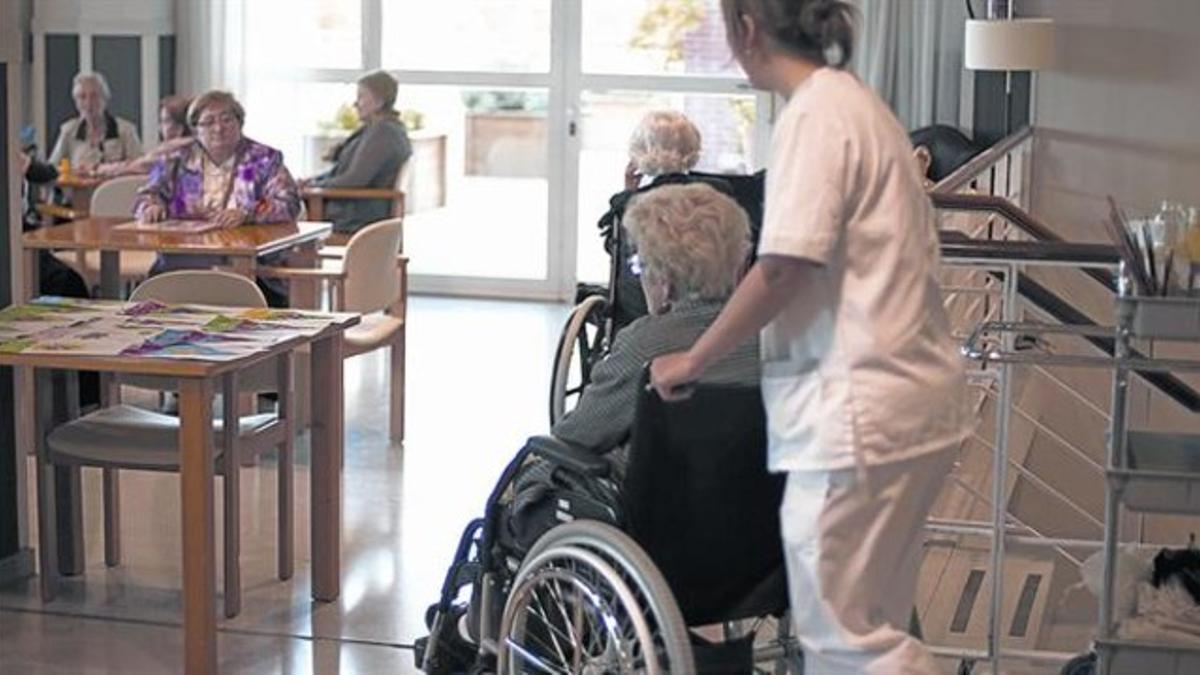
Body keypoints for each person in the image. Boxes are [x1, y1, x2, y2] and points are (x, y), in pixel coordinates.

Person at [649, 1, 970, 673]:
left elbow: (785, 265)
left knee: (846, 642)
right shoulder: (857, 107)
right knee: (871, 624)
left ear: (747, 28)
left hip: (860, 413)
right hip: (908, 405)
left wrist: (695, 357)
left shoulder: (816, 118)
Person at [553, 182, 760, 456]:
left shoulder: (644, 345)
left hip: (653, 495)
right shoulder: (781, 335)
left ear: (664, 281)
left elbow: (576, 437)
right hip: (762, 494)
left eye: (641, 266)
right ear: (742, 265)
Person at [133, 90, 301, 306]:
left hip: (251, 267)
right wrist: (151, 205)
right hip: (181, 263)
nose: (218, 128)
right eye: (208, 122)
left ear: (240, 123)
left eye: (227, 119)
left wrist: (248, 212)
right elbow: (147, 194)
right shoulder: (175, 159)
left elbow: (288, 202)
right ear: (196, 129)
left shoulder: (263, 158)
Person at [300, 70, 412, 235]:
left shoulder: (383, 134)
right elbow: (344, 172)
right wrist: (312, 181)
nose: (355, 103)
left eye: (361, 96)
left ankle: (275, 259)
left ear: (379, 101)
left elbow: (353, 180)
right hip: (354, 207)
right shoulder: (376, 129)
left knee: (283, 210)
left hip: (356, 215)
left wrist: (315, 187)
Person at [48, 72, 142, 172]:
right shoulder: (68, 130)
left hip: (115, 187)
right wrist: (74, 171)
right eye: (82, 97)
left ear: (105, 99)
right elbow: (52, 168)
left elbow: (140, 167)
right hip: (78, 187)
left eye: (94, 96)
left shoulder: (126, 130)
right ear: (76, 103)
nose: (89, 103)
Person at [92, 95, 194, 177]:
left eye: (164, 121)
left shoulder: (171, 152)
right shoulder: (198, 148)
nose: (160, 128)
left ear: (179, 128)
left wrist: (97, 169)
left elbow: (136, 166)